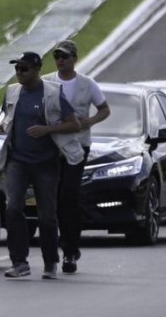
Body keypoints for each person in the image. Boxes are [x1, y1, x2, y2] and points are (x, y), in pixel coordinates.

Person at [0, 52, 82, 280]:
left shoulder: (52, 93)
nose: (19, 73)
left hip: (46, 163)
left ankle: (50, 262)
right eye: (17, 69)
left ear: (37, 70)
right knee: (13, 208)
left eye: (24, 69)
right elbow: (7, 119)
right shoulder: (12, 92)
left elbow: (74, 124)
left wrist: (47, 130)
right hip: (18, 160)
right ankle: (19, 262)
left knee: (46, 215)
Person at [42, 40, 110, 274]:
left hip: (77, 146)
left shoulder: (87, 84)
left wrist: (90, 121)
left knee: (69, 195)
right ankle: (54, 248)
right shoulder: (47, 82)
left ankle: (71, 249)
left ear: (74, 59)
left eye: (65, 56)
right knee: (54, 197)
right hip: (52, 146)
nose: (61, 60)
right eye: (57, 56)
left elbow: (104, 109)